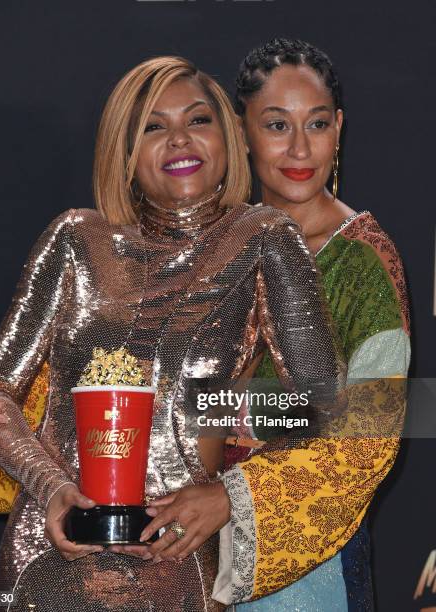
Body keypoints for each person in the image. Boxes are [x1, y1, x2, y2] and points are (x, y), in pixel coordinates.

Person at [0, 56, 344, 611]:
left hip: (173, 554)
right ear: (125, 151)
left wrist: (225, 484)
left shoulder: (263, 238)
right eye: (153, 127)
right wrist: (53, 489)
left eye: (197, 120)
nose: (179, 140)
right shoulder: (74, 239)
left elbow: (324, 407)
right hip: (50, 545)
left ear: (227, 136)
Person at [219, 38, 409, 610]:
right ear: (241, 129)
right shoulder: (218, 244)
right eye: (277, 125)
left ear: (339, 127)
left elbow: (366, 436)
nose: (300, 147)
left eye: (317, 123)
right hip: (192, 553)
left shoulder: (364, 260)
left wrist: (229, 417)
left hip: (312, 565)